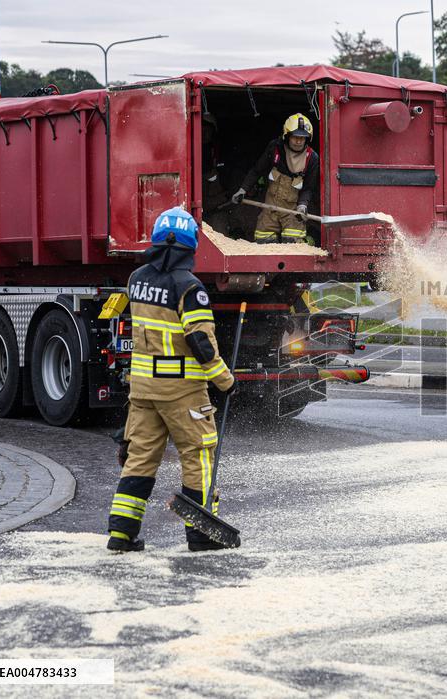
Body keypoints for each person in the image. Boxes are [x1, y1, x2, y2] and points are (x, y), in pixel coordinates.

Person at [106, 207, 235, 553]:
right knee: (198, 457)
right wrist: (225, 380)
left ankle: (121, 534)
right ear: (190, 247)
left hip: (143, 389)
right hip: (182, 392)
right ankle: (201, 534)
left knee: (139, 458)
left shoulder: (137, 280)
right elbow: (200, 342)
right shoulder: (189, 287)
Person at [232, 113, 319, 245]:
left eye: (303, 138)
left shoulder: (312, 158)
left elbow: (309, 187)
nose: (298, 141)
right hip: (269, 208)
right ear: (287, 136)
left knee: (293, 244)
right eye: (295, 137)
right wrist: (242, 190)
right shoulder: (275, 148)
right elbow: (257, 170)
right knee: (263, 241)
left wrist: (302, 205)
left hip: (293, 212)